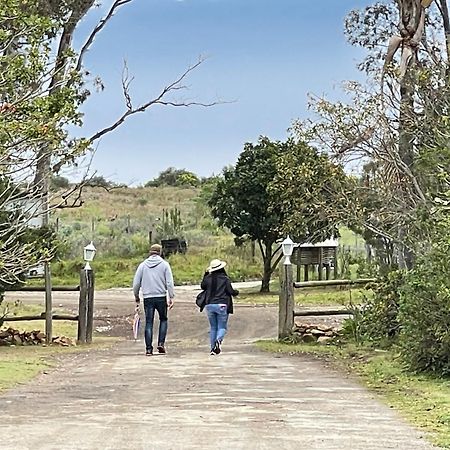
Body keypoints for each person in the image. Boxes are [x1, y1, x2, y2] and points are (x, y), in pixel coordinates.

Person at [133, 243, 174, 356]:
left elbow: (136, 283)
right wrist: (171, 296)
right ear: (160, 252)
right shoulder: (165, 265)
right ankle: (161, 343)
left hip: (147, 297)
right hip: (161, 296)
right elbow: (169, 282)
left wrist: (136, 296)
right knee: (163, 319)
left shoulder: (142, 266)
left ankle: (148, 349)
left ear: (150, 252)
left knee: (149, 322)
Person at [200, 259, 239, 355]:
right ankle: (218, 340)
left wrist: (205, 274)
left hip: (209, 305)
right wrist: (236, 292)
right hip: (222, 305)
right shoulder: (225, 279)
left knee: (213, 327)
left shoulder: (208, 278)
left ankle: (213, 348)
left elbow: (203, 286)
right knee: (222, 327)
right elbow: (230, 291)